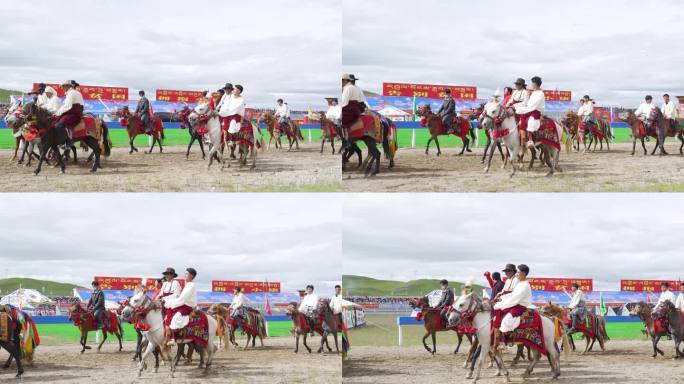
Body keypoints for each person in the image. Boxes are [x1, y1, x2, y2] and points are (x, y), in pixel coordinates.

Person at [493, 264, 532, 334]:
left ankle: (508, 337)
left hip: (519, 306)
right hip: (514, 303)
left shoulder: (525, 285)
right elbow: (511, 294)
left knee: (506, 319)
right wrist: (501, 299)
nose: (517, 274)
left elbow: (515, 299)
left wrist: (502, 305)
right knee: (498, 312)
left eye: (518, 272)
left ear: (523, 273)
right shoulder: (520, 283)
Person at [163, 268, 198, 346]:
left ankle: (173, 338)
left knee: (176, 317)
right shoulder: (187, 285)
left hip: (187, 306)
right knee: (168, 313)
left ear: (191, 276)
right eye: (185, 273)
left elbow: (182, 298)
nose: (184, 275)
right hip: (180, 304)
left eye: (186, 274)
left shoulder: (190, 286)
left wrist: (171, 303)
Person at [514, 76, 545, 149]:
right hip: (529, 110)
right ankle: (523, 138)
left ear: (536, 84)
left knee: (531, 120)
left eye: (533, 83)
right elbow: (529, 104)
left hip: (535, 111)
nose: (532, 85)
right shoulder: (534, 92)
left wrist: (523, 109)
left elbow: (534, 105)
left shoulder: (540, 93)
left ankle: (530, 140)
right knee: (521, 120)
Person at [55, 80, 84, 149]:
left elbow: (68, 106)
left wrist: (57, 113)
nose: (62, 88)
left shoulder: (71, 93)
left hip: (73, 113)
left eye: (63, 86)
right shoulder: (72, 93)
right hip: (73, 111)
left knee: (58, 125)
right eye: (62, 86)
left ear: (68, 86)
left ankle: (68, 141)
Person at [340, 73, 366, 139]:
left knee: (339, 120)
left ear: (345, 81)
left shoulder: (347, 88)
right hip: (357, 107)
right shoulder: (356, 88)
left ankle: (345, 137)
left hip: (350, 108)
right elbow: (361, 100)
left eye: (341, 81)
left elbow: (344, 102)